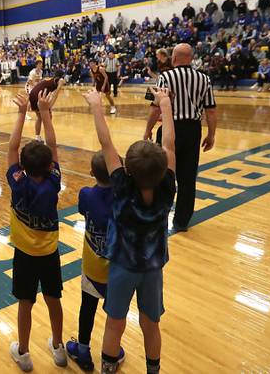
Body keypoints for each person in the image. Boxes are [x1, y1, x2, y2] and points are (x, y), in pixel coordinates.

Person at [85, 87, 175, 374]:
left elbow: (105, 141)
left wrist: (97, 105)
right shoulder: (167, 187)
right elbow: (170, 145)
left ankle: (108, 370)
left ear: (127, 170)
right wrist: (166, 104)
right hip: (152, 268)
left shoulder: (121, 187)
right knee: (151, 324)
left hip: (123, 266)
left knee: (115, 322)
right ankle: (153, 370)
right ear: (162, 168)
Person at [7, 90, 67, 370]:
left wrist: (21, 113)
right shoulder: (54, 181)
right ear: (49, 165)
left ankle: (24, 351)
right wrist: (45, 113)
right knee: (54, 300)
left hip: (25, 254)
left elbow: (10, 148)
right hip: (50, 253)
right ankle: (58, 346)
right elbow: (54, 147)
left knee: (25, 303)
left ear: (23, 165)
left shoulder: (18, 183)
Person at [144, 44, 216, 233]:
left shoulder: (165, 77)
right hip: (193, 131)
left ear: (173, 59)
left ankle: (157, 216)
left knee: (161, 174)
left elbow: (155, 107)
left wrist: (147, 131)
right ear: (191, 59)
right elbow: (211, 110)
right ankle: (181, 221)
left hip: (170, 128)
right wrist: (211, 134)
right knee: (188, 178)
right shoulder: (204, 79)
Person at [65, 151, 124, 371]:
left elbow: (83, 211)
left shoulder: (86, 194)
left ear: (92, 173)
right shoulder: (124, 198)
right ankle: (113, 350)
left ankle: (82, 349)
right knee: (115, 313)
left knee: (87, 309)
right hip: (117, 270)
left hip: (92, 267)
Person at [28, 77, 63, 142]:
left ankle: (37, 137)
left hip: (33, 93)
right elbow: (56, 94)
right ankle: (48, 139)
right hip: (38, 95)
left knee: (39, 117)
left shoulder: (49, 79)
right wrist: (49, 106)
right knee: (48, 118)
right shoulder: (60, 81)